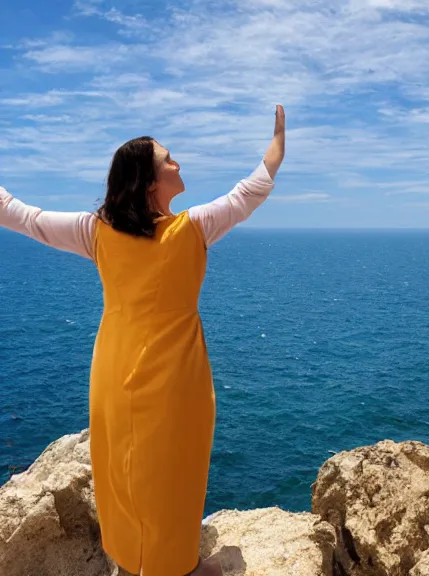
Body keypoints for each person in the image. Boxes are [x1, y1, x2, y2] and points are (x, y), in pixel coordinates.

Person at [0, 105, 286, 576]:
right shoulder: (192, 228)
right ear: (150, 180)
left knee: (124, 469)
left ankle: (137, 561)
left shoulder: (97, 232)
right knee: (174, 468)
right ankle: (177, 567)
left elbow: (22, 216)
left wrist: (275, 147)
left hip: (115, 365)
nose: (177, 164)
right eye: (168, 159)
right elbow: (250, 191)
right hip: (176, 372)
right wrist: (277, 146)